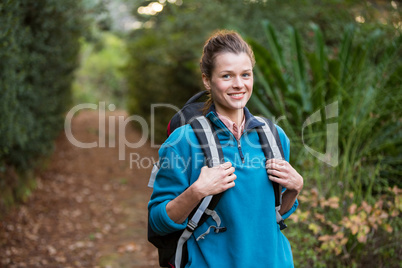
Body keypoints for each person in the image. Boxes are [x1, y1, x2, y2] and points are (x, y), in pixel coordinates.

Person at [148, 30, 303, 267]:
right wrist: (197, 191)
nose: (239, 84)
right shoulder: (183, 142)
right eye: (227, 76)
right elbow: (157, 222)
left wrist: (293, 190)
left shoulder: (274, 136)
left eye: (245, 74)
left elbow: (274, 215)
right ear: (207, 80)